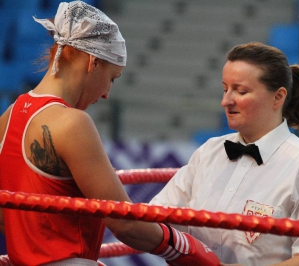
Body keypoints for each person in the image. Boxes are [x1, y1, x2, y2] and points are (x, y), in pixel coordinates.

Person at [0, 1, 219, 265]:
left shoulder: (9, 115)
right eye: (112, 78)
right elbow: (125, 224)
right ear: (93, 62)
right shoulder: (72, 123)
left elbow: (7, 218)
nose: (106, 94)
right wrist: (187, 248)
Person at [150, 42, 299, 266]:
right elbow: (157, 218)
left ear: (278, 98)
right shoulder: (209, 152)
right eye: (224, 89)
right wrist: (112, 208)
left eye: (241, 91)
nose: (225, 101)